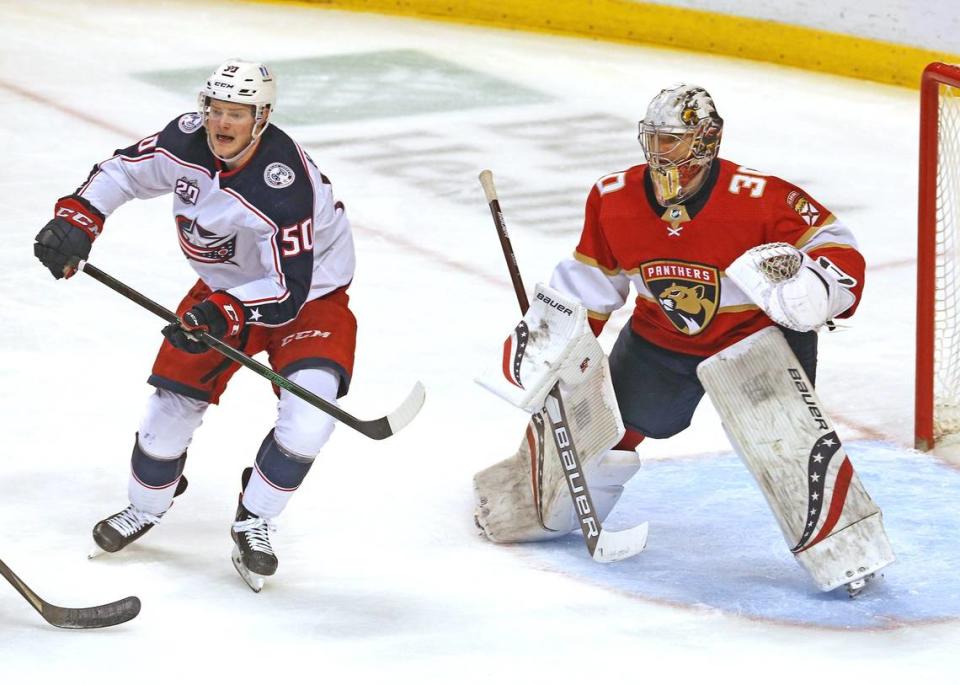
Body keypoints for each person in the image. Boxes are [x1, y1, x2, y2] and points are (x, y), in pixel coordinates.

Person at [473, 84, 886, 592]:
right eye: (655, 138)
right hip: (660, 339)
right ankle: (533, 502)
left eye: (674, 140)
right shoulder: (614, 196)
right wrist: (549, 334)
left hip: (756, 344)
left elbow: (837, 247)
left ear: (707, 141)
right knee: (604, 428)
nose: (660, 152)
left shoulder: (760, 197)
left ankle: (847, 552)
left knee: (789, 447)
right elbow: (593, 280)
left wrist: (812, 286)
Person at [33, 58, 357, 591]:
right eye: (216, 110)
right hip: (224, 292)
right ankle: (147, 506)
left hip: (310, 300)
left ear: (263, 117)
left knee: (309, 419)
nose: (222, 124)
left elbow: (288, 289)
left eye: (238, 113)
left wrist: (224, 310)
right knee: (166, 412)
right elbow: (123, 172)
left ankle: (255, 518)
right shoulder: (186, 138)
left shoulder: (282, 183)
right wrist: (78, 220)